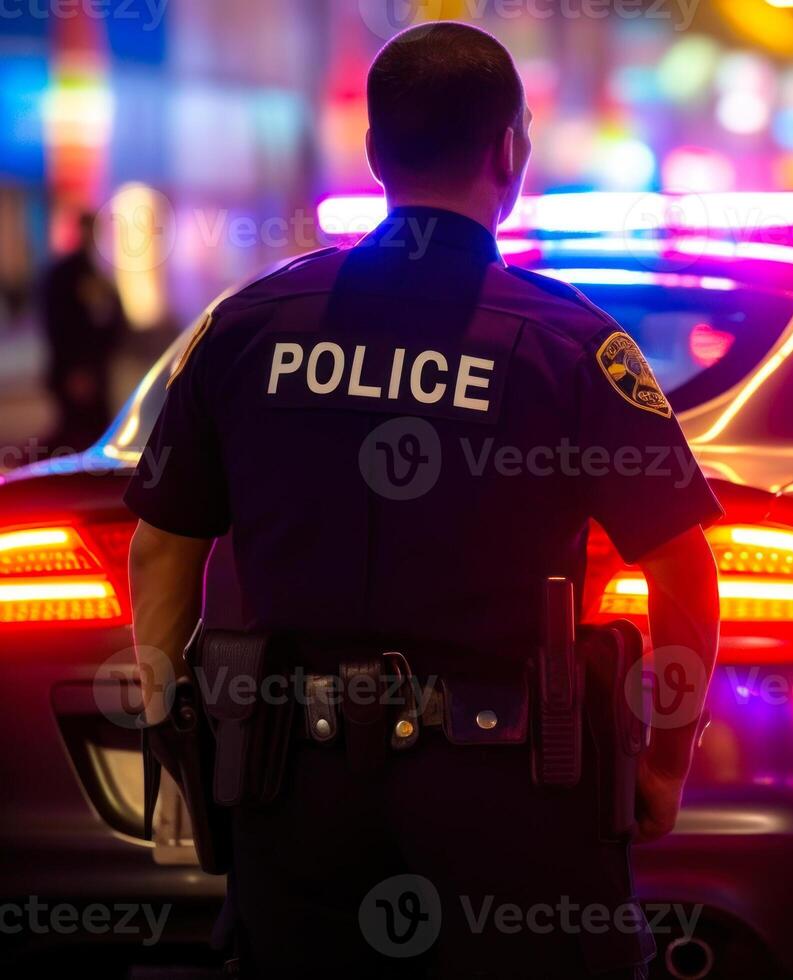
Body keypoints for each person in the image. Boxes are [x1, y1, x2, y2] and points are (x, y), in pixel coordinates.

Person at [125, 22, 721, 978]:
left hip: (293, 789)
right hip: (513, 796)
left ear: (373, 152)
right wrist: (664, 760)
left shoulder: (248, 326)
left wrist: (174, 739)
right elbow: (681, 565)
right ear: (510, 152)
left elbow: (161, 550)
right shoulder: (568, 345)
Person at [41, 211, 128, 451]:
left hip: (95, 366)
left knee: (94, 431)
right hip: (76, 369)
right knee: (76, 433)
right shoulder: (67, 273)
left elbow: (113, 315)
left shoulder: (96, 271)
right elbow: (59, 325)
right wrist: (75, 369)